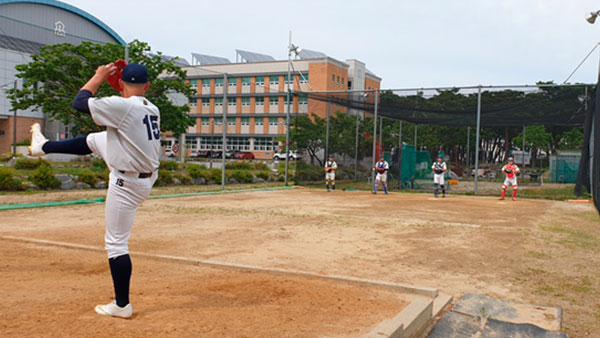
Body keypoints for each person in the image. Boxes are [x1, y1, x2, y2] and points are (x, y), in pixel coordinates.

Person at [29, 62, 160, 319]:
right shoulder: (151, 108)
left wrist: (98, 77)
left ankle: (122, 305)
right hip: (145, 177)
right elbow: (123, 110)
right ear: (147, 86)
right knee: (96, 140)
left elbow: (80, 102)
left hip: (127, 184)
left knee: (116, 244)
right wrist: (122, 88)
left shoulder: (122, 105)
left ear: (122, 84)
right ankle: (43, 147)